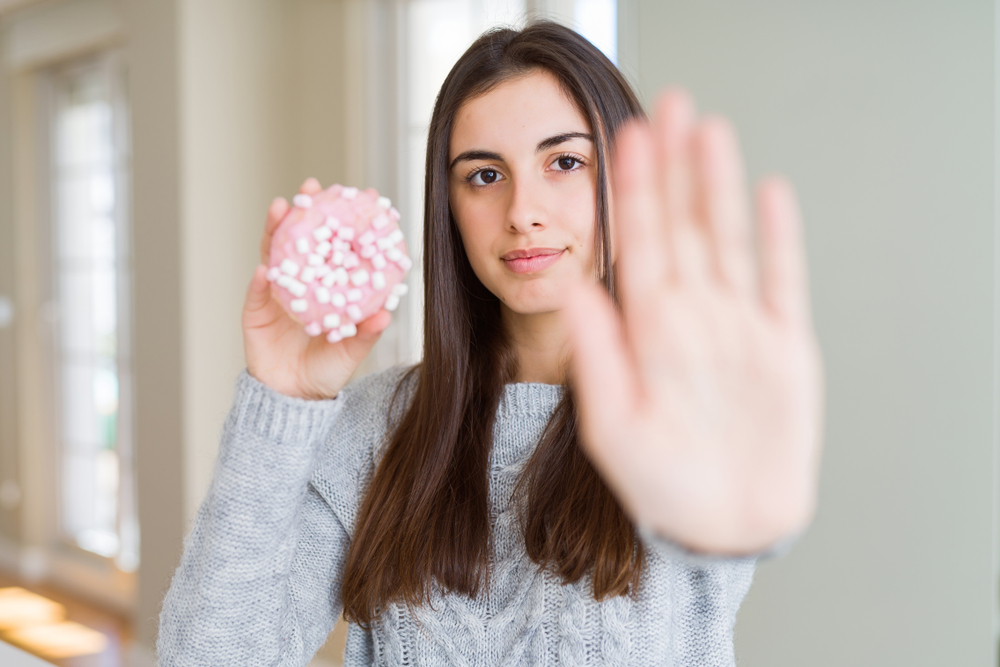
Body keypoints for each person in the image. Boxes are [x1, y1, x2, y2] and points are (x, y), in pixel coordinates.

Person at [157, 21, 822, 667]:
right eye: (483, 175)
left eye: (564, 162)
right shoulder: (375, 427)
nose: (522, 211)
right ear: (448, 205)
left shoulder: (680, 412)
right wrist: (282, 398)